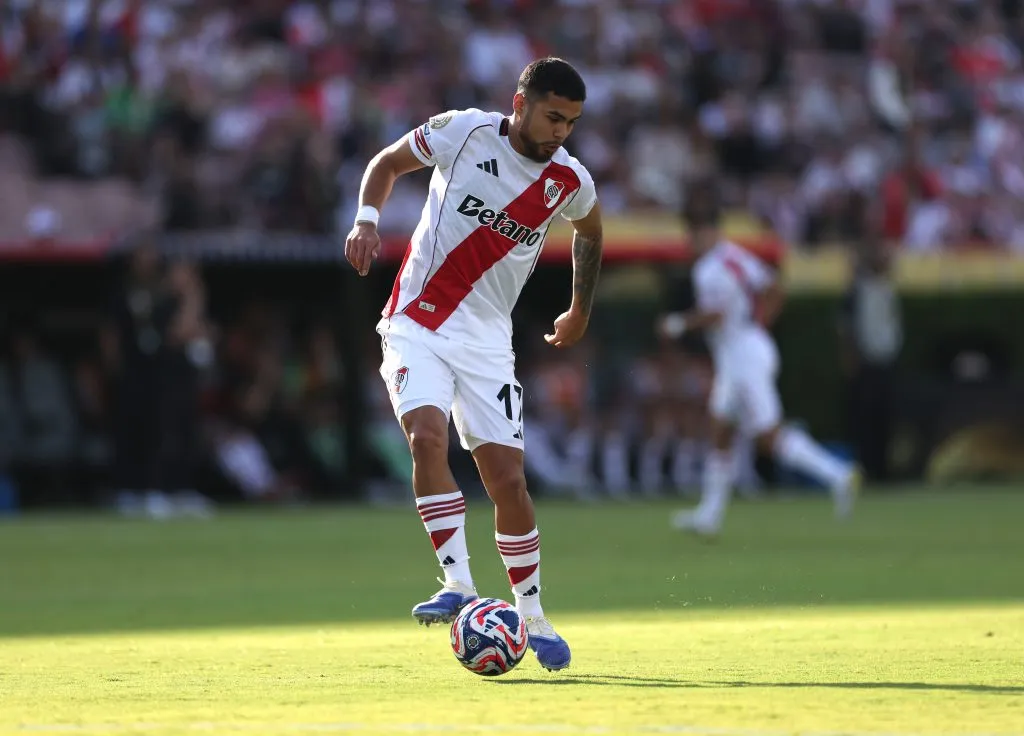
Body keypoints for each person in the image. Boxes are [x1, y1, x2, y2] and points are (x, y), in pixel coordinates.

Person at [344, 58, 603, 672]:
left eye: (571, 122)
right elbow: (387, 163)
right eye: (552, 116)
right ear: (520, 105)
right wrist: (366, 221)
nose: (560, 131)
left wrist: (579, 309)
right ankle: (458, 582)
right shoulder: (463, 131)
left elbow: (590, 233)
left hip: (488, 343)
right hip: (418, 321)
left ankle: (532, 614)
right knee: (426, 437)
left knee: (508, 483)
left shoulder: (569, 181)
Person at [658, 184, 859, 537]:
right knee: (721, 428)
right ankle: (710, 515)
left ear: (705, 231)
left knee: (769, 437)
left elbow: (716, 315)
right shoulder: (735, 254)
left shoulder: (707, 269)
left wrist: (677, 323)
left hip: (743, 357)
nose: (693, 240)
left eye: (695, 232)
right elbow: (774, 287)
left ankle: (838, 475)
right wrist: (761, 323)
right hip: (746, 350)